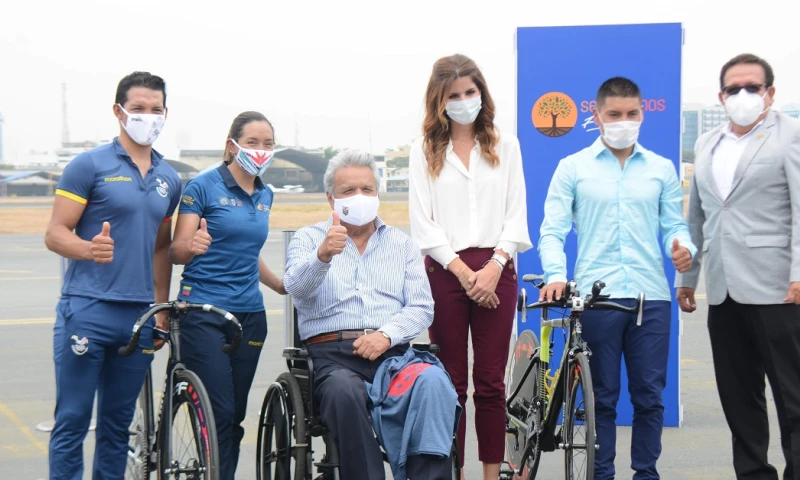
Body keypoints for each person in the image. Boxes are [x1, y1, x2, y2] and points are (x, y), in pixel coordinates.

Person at [538, 77, 695, 480]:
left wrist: (683, 250)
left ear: (642, 114)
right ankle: (601, 474)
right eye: (614, 114)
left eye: (631, 114)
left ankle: (646, 473)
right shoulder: (573, 167)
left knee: (649, 398)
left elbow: (673, 226)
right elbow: (552, 230)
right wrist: (556, 274)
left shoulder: (661, 168)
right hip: (597, 299)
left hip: (650, 297)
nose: (623, 121)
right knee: (601, 399)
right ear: (597, 116)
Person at [284, 149, 459, 480]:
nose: (359, 197)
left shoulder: (401, 243)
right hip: (333, 355)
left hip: (392, 354)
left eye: (367, 189)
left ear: (377, 194)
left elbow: (422, 306)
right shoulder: (309, 238)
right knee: (343, 392)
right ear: (330, 197)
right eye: (348, 191)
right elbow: (296, 289)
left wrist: (386, 335)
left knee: (434, 383)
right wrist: (322, 256)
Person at [44, 71, 181, 479]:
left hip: (138, 318)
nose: (147, 116)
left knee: (117, 428)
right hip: (87, 309)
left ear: (165, 113)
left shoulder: (168, 179)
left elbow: (161, 247)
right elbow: (54, 233)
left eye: (155, 110)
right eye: (138, 108)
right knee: (71, 419)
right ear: (118, 111)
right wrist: (88, 249)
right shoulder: (89, 165)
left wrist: (160, 308)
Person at [407, 53, 532, 479]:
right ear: (439, 101)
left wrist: (495, 266)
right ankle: (454, 471)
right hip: (446, 272)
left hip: (498, 269)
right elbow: (423, 225)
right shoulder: (424, 150)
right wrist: (463, 273)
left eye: (470, 92)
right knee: (452, 383)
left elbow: (517, 215)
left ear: (482, 93)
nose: (463, 101)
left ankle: (491, 474)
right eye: (454, 95)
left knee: (492, 383)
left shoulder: (505, 143)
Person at [676, 53, 800, 480]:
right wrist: (688, 278)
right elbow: (699, 217)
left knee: (793, 398)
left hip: (780, 289)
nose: (743, 95)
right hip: (725, 289)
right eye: (734, 88)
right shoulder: (710, 143)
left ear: (770, 92)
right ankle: (753, 474)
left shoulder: (791, 136)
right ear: (721, 95)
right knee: (738, 396)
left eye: (753, 86)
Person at [169, 111, 286, 480]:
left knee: (234, 416)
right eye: (252, 142)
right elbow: (177, 251)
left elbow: (248, 254)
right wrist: (193, 244)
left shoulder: (266, 194)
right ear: (232, 145)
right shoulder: (202, 187)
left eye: (268, 143)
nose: (261, 150)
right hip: (204, 312)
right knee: (217, 412)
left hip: (250, 314)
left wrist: (279, 284)